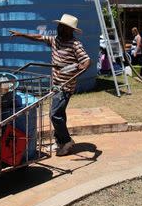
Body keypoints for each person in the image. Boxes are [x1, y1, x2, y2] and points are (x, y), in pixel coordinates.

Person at [10, 14, 90, 156]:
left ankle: (66, 142)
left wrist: (73, 70)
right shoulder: (56, 40)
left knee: (55, 115)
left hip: (65, 87)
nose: (58, 28)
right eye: (59, 26)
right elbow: (39, 37)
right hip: (56, 85)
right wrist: (21, 34)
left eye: (62, 27)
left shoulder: (75, 44)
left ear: (69, 30)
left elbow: (86, 62)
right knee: (59, 114)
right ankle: (60, 141)